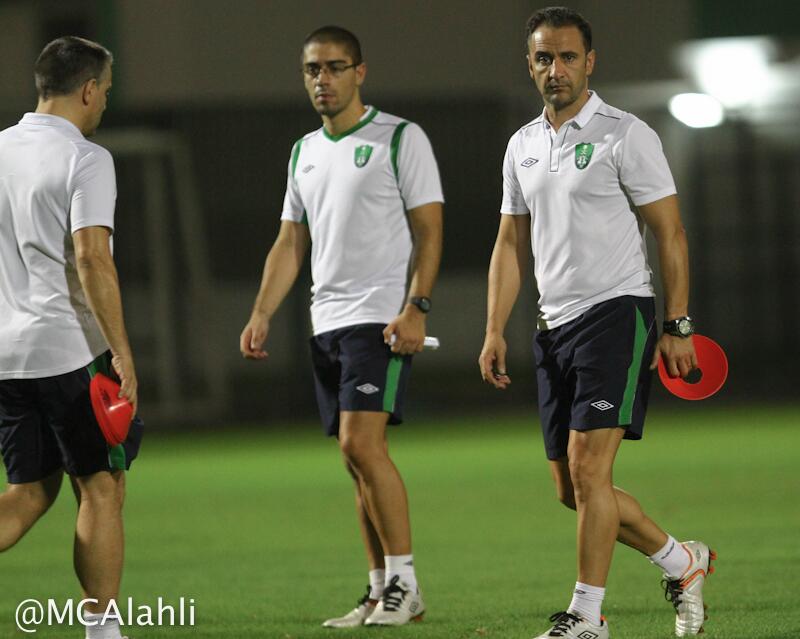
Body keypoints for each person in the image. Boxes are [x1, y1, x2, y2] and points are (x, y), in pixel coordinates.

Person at [478, 7, 714, 639]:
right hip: (552, 326)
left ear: (590, 62)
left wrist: (678, 324)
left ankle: (587, 617)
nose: (555, 69)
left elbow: (670, 233)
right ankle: (682, 561)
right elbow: (510, 243)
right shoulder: (522, 145)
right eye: (543, 58)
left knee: (589, 470)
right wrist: (495, 327)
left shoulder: (626, 134)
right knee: (571, 488)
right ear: (530, 64)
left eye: (567, 57)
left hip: (616, 311)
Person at [240, 25, 443, 628]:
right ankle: (380, 590)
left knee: (362, 445)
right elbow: (290, 241)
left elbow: (430, 230)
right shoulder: (303, 151)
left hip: (379, 320)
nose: (322, 79)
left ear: (360, 72)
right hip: (325, 321)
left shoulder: (399, 137)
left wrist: (417, 306)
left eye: (334, 67)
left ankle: (406, 585)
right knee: (355, 462)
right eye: (312, 69)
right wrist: (261, 311)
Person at [0, 36, 143, 639]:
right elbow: (92, 258)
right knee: (102, 487)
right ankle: (102, 631)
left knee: (29, 492)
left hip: (7, 356)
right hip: (68, 350)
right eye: (105, 91)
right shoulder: (86, 158)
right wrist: (122, 353)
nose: (104, 102)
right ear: (88, 90)